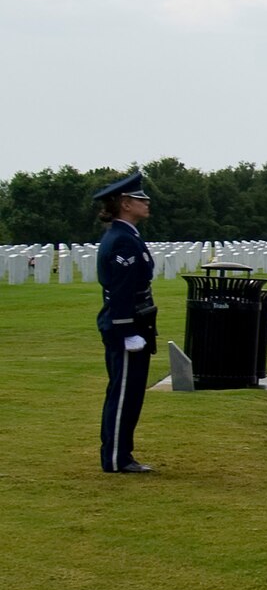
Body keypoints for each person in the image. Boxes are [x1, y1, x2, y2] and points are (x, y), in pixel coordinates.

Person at [93, 171, 157, 474]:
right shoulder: (121, 241)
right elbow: (120, 291)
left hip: (136, 324)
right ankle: (117, 458)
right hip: (126, 327)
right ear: (125, 203)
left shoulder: (128, 235)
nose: (147, 202)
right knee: (123, 395)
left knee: (129, 394)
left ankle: (122, 454)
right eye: (140, 198)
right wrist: (127, 330)